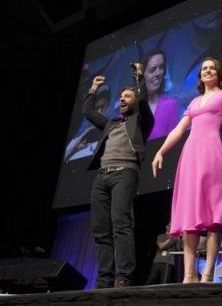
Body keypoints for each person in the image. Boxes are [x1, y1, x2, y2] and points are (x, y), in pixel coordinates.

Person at [152, 57, 222, 283]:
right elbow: (178, 130)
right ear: (200, 76)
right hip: (191, 156)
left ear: (219, 73)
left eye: (212, 68)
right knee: (190, 215)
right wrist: (161, 151)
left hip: (212, 155)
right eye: (204, 69)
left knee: (214, 215)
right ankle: (189, 274)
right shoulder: (193, 103)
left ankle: (208, 273)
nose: (208, 71)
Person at [83, 64, 155, 288]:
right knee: (100, 229)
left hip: (125, 174)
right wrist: (93, 89)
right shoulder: (111, 124)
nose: (123, 99)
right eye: (121, 96)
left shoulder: (141, 122)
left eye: (128, 96)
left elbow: (143, 100)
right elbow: (88, 111)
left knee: (121, 224)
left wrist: (138, 77)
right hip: (102, 177)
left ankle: (123, 277)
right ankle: (104, 279)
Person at [142, 49, 179, 139]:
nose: (158, 73)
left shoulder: (170, 105)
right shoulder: (129, 111)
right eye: (152, 69)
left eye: (161, 67)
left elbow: (174, 142)